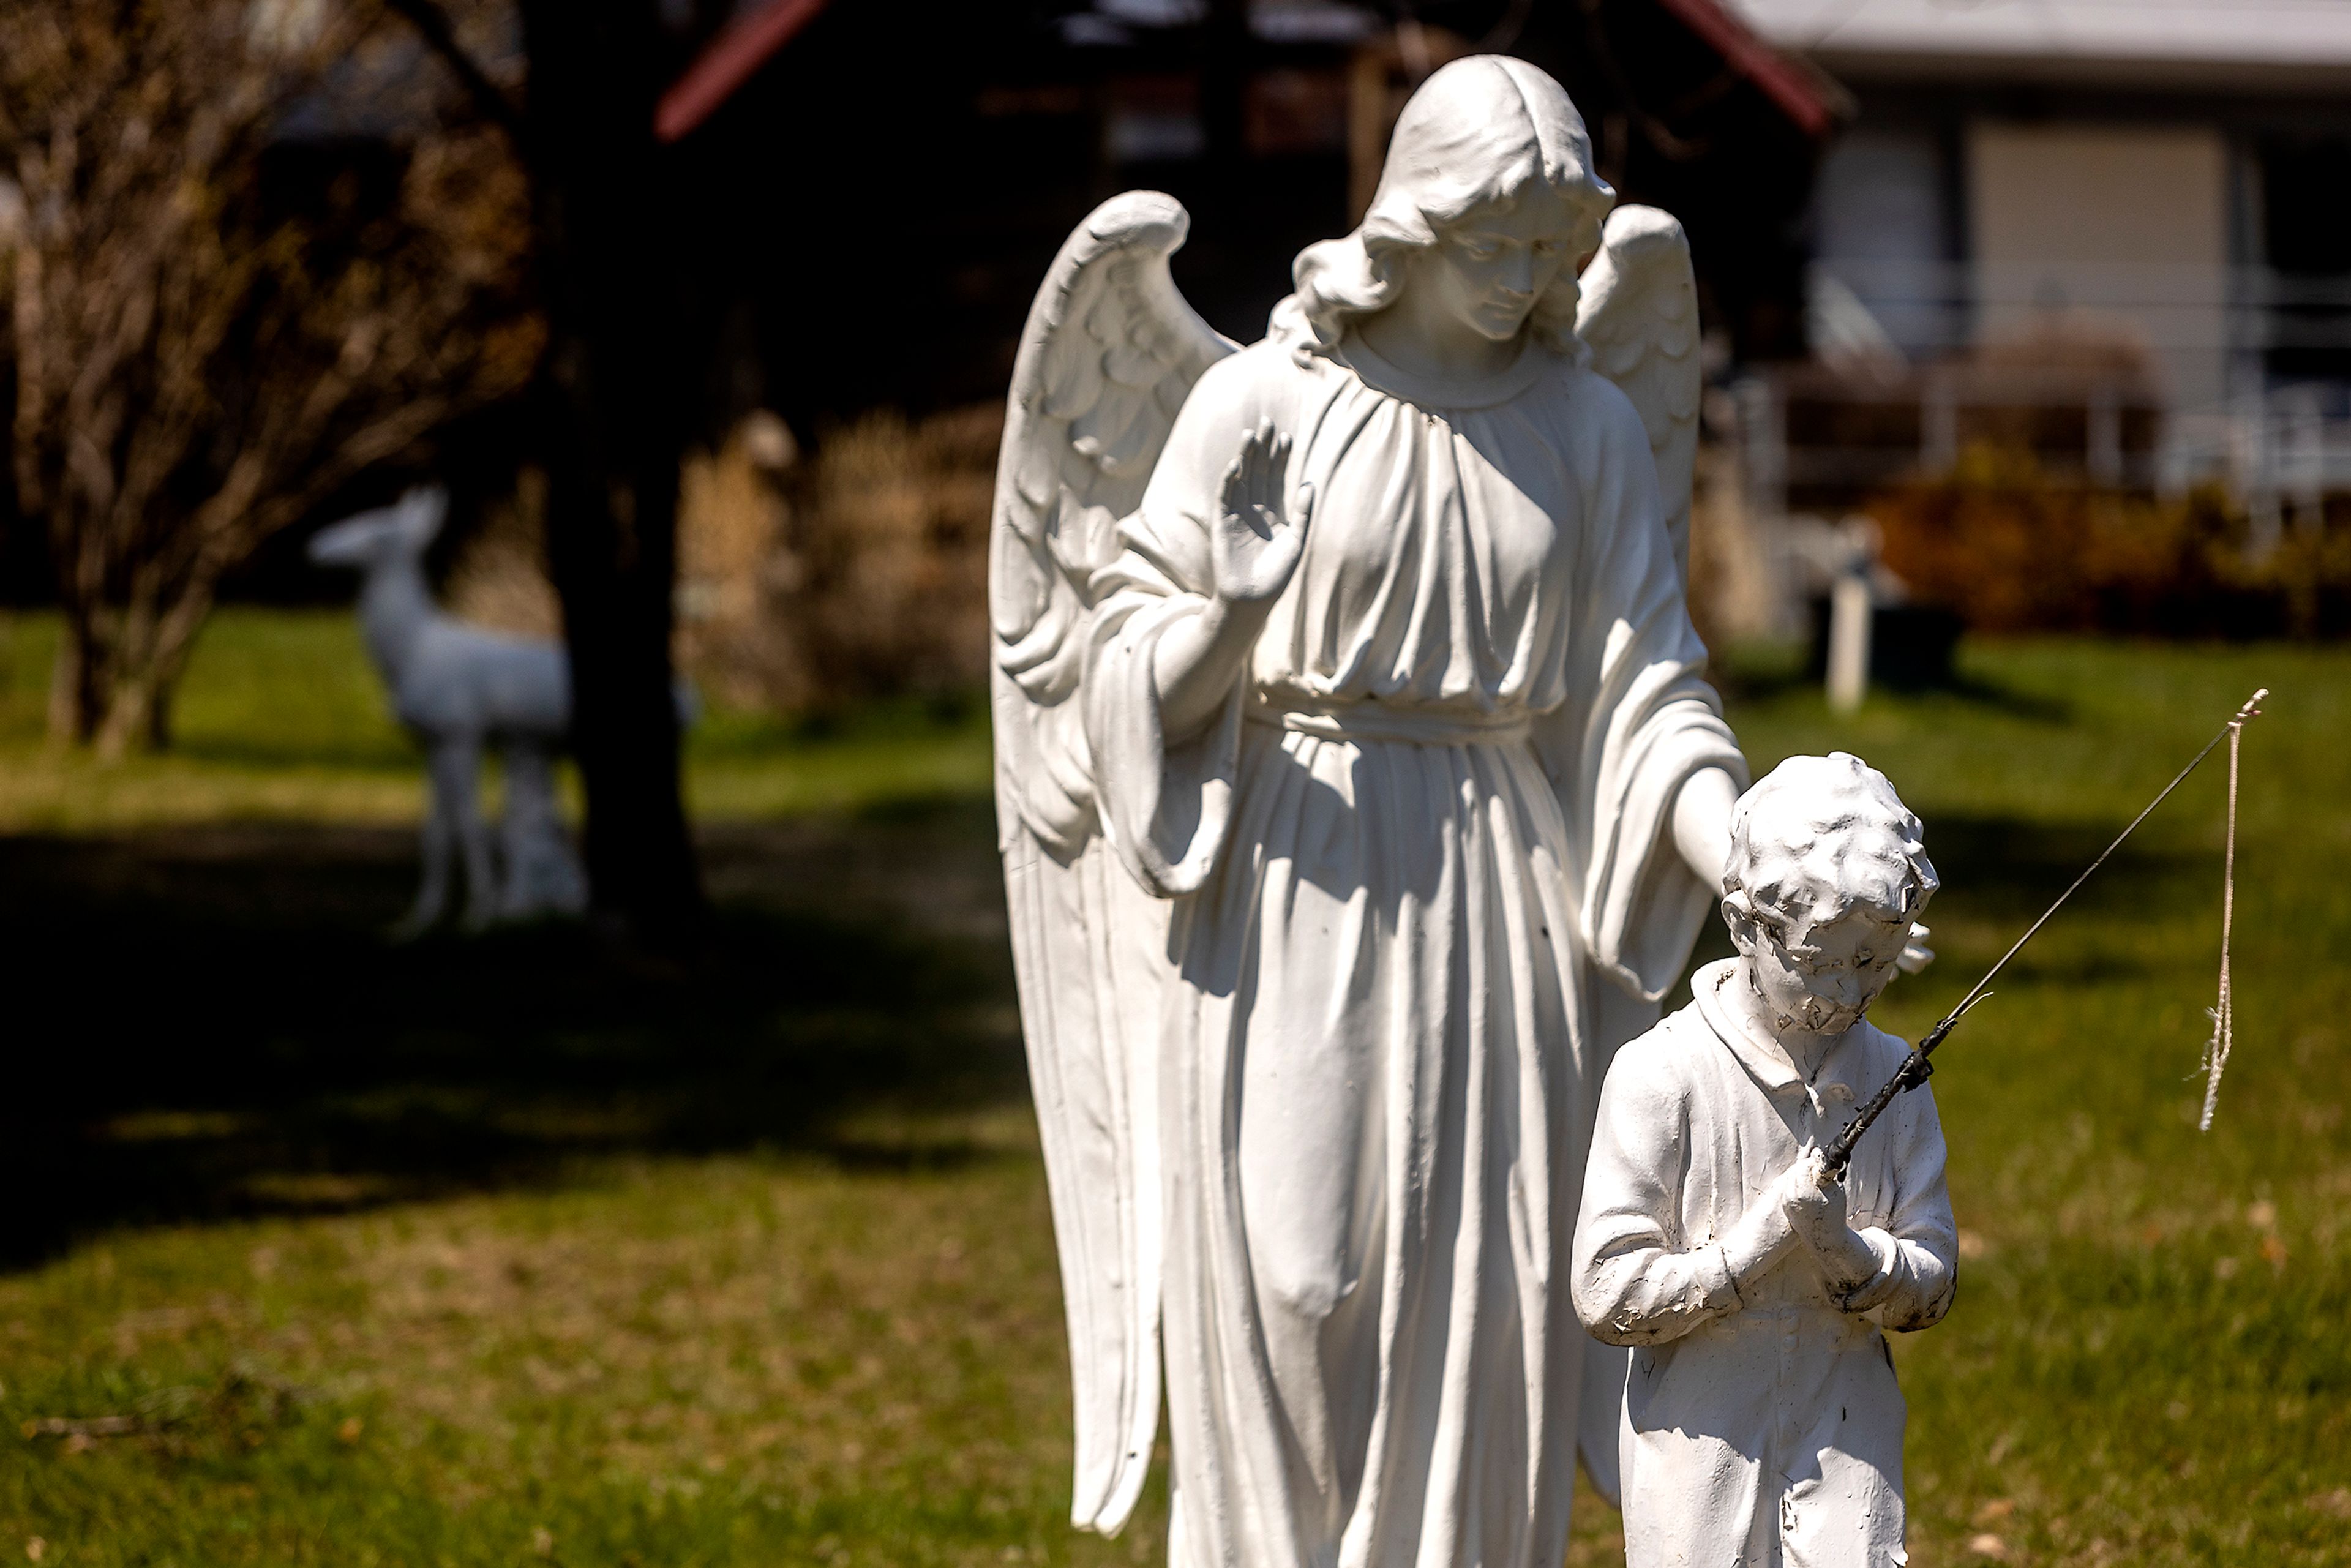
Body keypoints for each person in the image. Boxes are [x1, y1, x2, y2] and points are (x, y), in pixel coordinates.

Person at [1080, 56, 1747, 1568]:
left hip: (1498, 891)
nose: (1521, 280)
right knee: (1299, 1278)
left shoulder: (1579, 425)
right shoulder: (1260, 400)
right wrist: (1233, 613)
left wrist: (1740, 847)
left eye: (1548, 251)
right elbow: (1121, 681)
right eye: (1490, 243)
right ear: (1410, 224)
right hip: (1292, 860)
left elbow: (1648, 684)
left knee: (1477, 1286)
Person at [1572, 752, 1958, 1568]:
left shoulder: (1893, 1079)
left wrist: (1851, 1252)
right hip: (1701, 1444)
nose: (1847, 996)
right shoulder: (1663, 1075)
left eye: (1873, 965)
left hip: (1846, 1423)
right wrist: (1751, 1248)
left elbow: (1935, 1276)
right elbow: (1605, 1290)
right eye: (1819, 961)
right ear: (1746, 923)